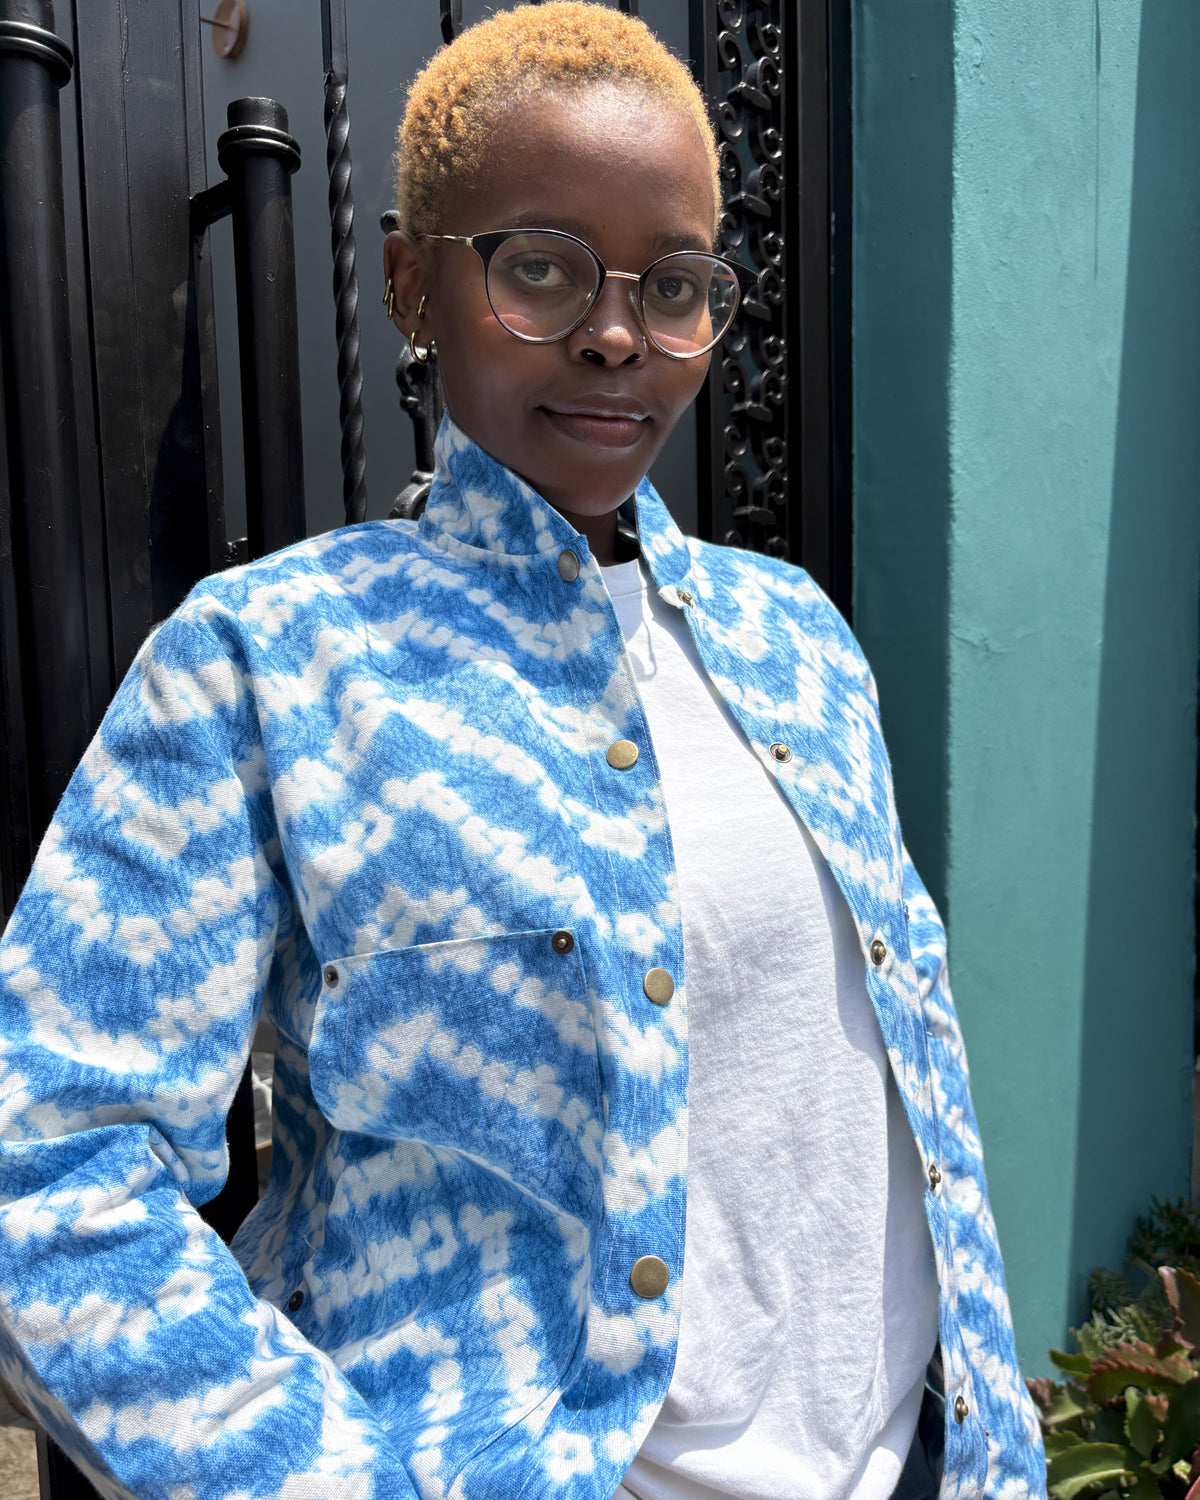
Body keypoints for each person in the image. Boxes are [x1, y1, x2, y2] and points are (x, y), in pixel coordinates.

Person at [0, 6, 1044, 1499]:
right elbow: (44, 1160)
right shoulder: (273, 659)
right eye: (543, 267)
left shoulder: (794, 636)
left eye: (674, 285)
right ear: (415, 285)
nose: (619, 334)